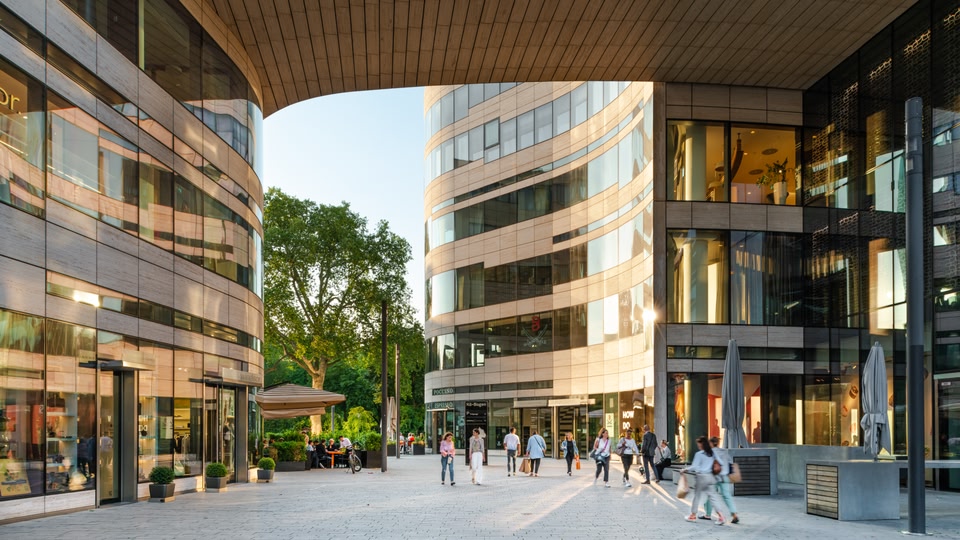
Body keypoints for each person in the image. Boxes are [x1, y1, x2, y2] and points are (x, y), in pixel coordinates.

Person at [683, 436, 729, 525]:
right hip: (711, 477)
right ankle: (721, 516)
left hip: (701, 477)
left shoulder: (699, 454)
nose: (698, 446)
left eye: (698, 444)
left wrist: (685, 469)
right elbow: (721, 463)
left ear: (701, 444)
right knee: (713, 497)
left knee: (697, 496)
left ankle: (692, 515)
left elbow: (695, 467)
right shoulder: (712, 453)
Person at [703, 436, 739, 524]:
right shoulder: (724, 452)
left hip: (714, 477)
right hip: (724, 477)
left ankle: (707, 514)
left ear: (711, 443)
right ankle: (734, 514)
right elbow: (730, 464)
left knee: (710, 495)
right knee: (727, 496)